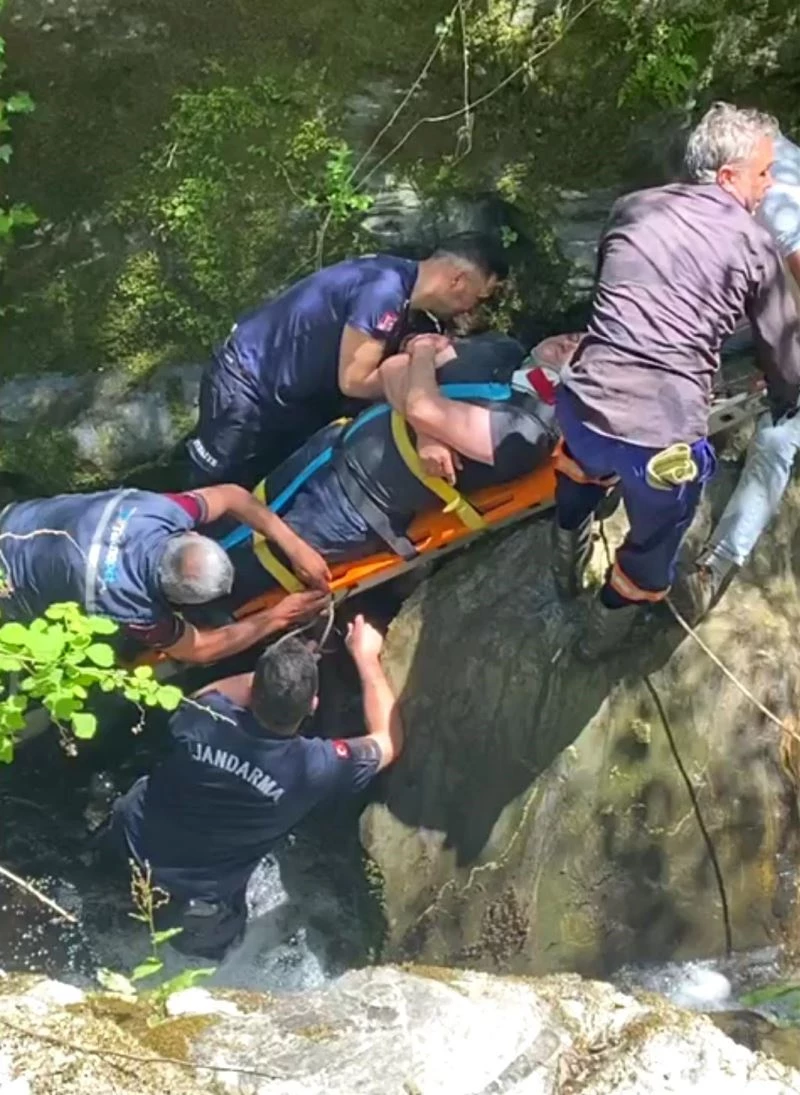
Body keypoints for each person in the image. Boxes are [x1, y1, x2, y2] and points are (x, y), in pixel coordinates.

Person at [551, 101, 800, 660]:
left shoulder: (631, 207)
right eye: (763, 173)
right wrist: (787, 398)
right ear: (729, 175)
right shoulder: (756, 246)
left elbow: (615, 294)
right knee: (659, 533)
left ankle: (565, 550)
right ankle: (601, 633)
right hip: (660, 439)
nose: (769, 184)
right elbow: (783, 350)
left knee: (583, 460)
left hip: (583, 397)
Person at [105, 615, 403, 959]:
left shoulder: (203, 718)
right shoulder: (313, 768)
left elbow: (210, 692)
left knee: (100, 923)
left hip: (124, 847)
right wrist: (365, 658)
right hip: (193, 905)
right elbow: (389, 741)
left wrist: (277, 676)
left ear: (252, 691)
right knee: (197, 962)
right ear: (313, 707)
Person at [206, 331, 570, 612]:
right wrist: (428, 432)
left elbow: (422, 399)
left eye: (582, 350)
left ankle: (171, 622)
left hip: (351, 504)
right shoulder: (501, 350)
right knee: (227, 522)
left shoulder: (525, 431)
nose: (572, 341)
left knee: (232, 571)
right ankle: (159, 559)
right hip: (333, 447)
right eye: (578, 333)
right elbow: (394, 368)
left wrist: (424, 364)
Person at [185, 234, 508, 488]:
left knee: (270, 482)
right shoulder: (385, 291)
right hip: (246, 386)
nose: (471, 308)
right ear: (458, 280)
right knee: (214, 485)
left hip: (288, 399)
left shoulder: (393, 276)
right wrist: (420, 370)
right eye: (480, 295)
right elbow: (354, 382)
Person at [676, 133, 800, 621]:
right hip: (780, 307)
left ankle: (714, 568)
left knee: (774, 444)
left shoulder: (775, 201)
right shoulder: (774, 164)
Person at [0, 483, 329, 663]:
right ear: (170, 600)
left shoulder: (158, 511)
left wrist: (293, 544)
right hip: (9, 590)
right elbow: (200, 649)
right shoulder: (130, 604)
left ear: (191, 535)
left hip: (15, 522)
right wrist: (277, 617)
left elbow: (231, 496)